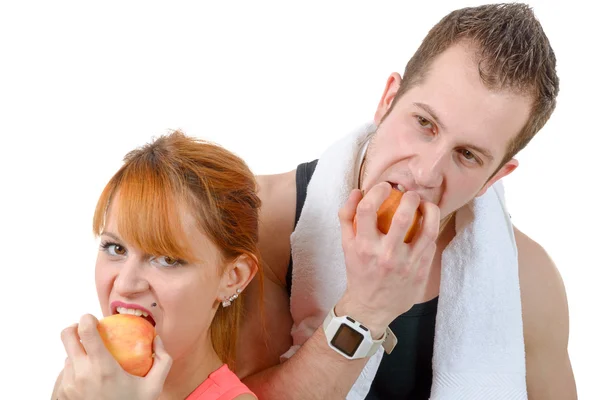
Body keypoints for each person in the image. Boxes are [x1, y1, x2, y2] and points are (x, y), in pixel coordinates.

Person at [237, 3, 577, 400]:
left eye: (467, 155)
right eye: (424, 124)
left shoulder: (529, 282)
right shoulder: (259, 223)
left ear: (495, 177)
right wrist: (365, 309)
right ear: (388, 100)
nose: (426, 174)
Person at [51, 131, 261, 400]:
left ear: (233, 277)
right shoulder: (82, 381)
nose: (125, 285)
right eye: (116, 248)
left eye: (167, 259)